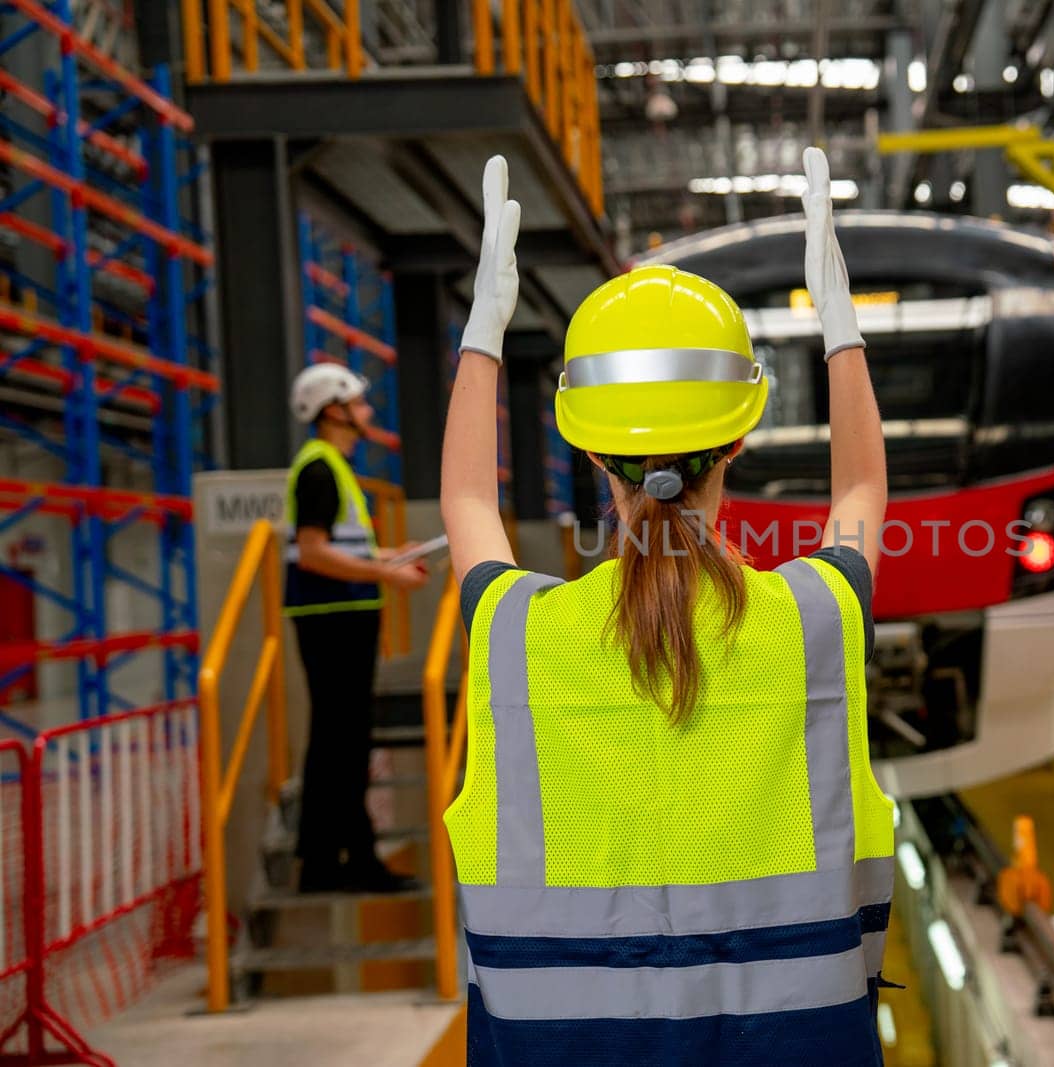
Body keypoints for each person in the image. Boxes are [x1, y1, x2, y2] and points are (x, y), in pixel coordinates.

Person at [440, 151, 895, 1065]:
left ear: (591, 453)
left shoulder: (517, 636)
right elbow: (862, 489)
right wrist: (840, 328)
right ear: (738, 439)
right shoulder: (816, 619)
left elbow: (465, 505)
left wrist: (483, 331)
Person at [285, 364, 429, 894]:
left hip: (339, 617)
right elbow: (313, 552)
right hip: (333, 619)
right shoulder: (319, 470)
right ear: (333, 410)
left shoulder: (332, 467)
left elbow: (339, 549)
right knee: (339, 744)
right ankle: (344, 862)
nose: (367, 412)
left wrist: (390, 556)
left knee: (341, 743)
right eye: (358, 403)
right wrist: (384, 572)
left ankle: (329, 861)